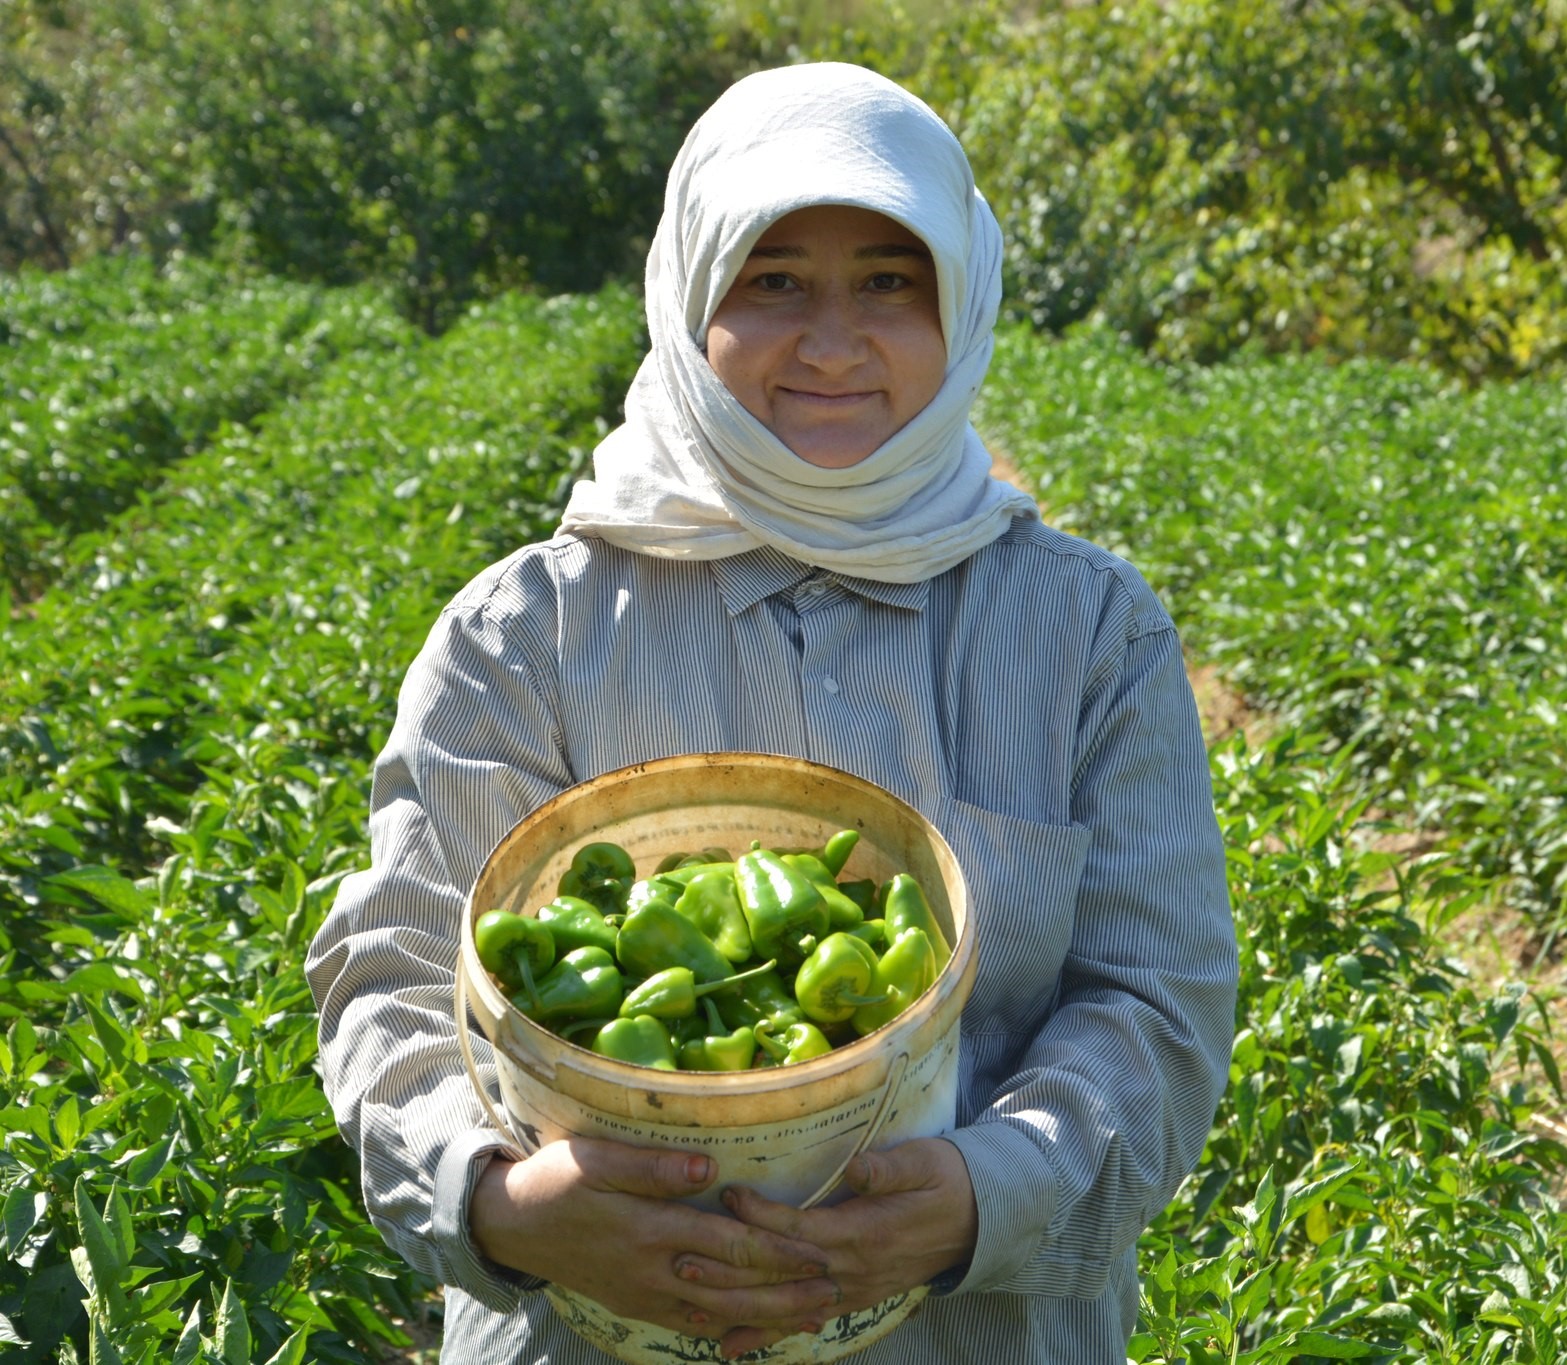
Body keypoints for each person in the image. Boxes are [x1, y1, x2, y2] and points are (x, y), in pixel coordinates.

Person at [306, 61, 1237, 1363]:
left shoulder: (1088, 633)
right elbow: (400, 972)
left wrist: (990, 1188)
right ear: (693, 292)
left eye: (890, 281)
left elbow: (1159, 997)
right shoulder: (526, 633)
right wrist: (502, 1203)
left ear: (960, 303)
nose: (834, 339)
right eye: (776, 278)